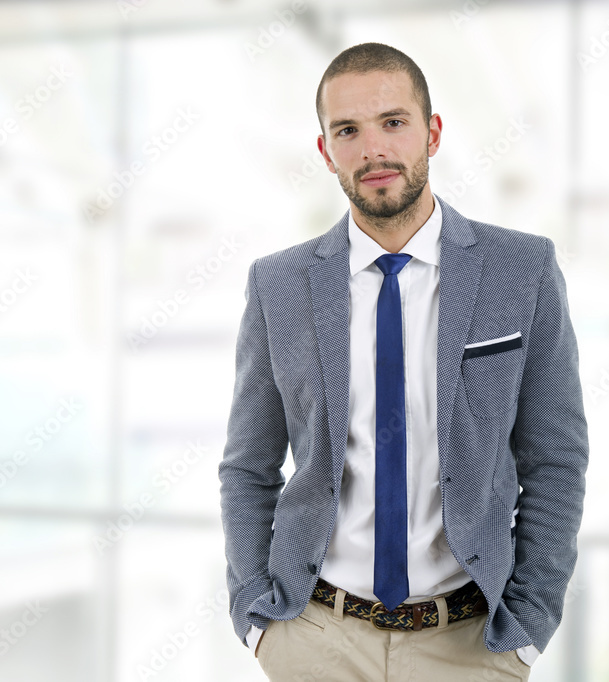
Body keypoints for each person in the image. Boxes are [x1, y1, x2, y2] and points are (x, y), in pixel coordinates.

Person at [218, 42, 588, 681]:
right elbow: (248, 466)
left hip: (470, 644)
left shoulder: (521, 269)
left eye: (393, 122)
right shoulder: (278, 285)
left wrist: (529, 625)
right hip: (317, 639)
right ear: (326, 150)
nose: (373, 150)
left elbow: (556, 459)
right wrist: (258, 621)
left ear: (432, 133)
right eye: (348, 131)